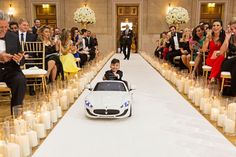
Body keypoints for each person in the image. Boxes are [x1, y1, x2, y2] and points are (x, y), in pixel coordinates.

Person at [0, 10, 26, 113]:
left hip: (10, 68)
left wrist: (19, 59)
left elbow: (21, 55)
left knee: (20, 80)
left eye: (6, 27)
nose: (4, 30)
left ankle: (16, 115)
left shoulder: (13, 37)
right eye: (0, 28)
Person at [18, 18, 37, 95]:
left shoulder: (32, 36)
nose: (26, 27)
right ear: (19, 25)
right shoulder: (13, 35)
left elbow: (34, 48)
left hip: (28, 57)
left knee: (31, 63)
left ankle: (31, 87)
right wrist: (19, 55)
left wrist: (28, 55)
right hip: (17, 57)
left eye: (27, 25)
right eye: (24, 25)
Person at [220, 17, 236, 96]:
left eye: (235, 28)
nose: (234, 31)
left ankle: (233, 92)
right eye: (233, 29)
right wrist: (227, 37)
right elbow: (222, 52)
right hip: (227, 64)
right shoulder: (229, 38)